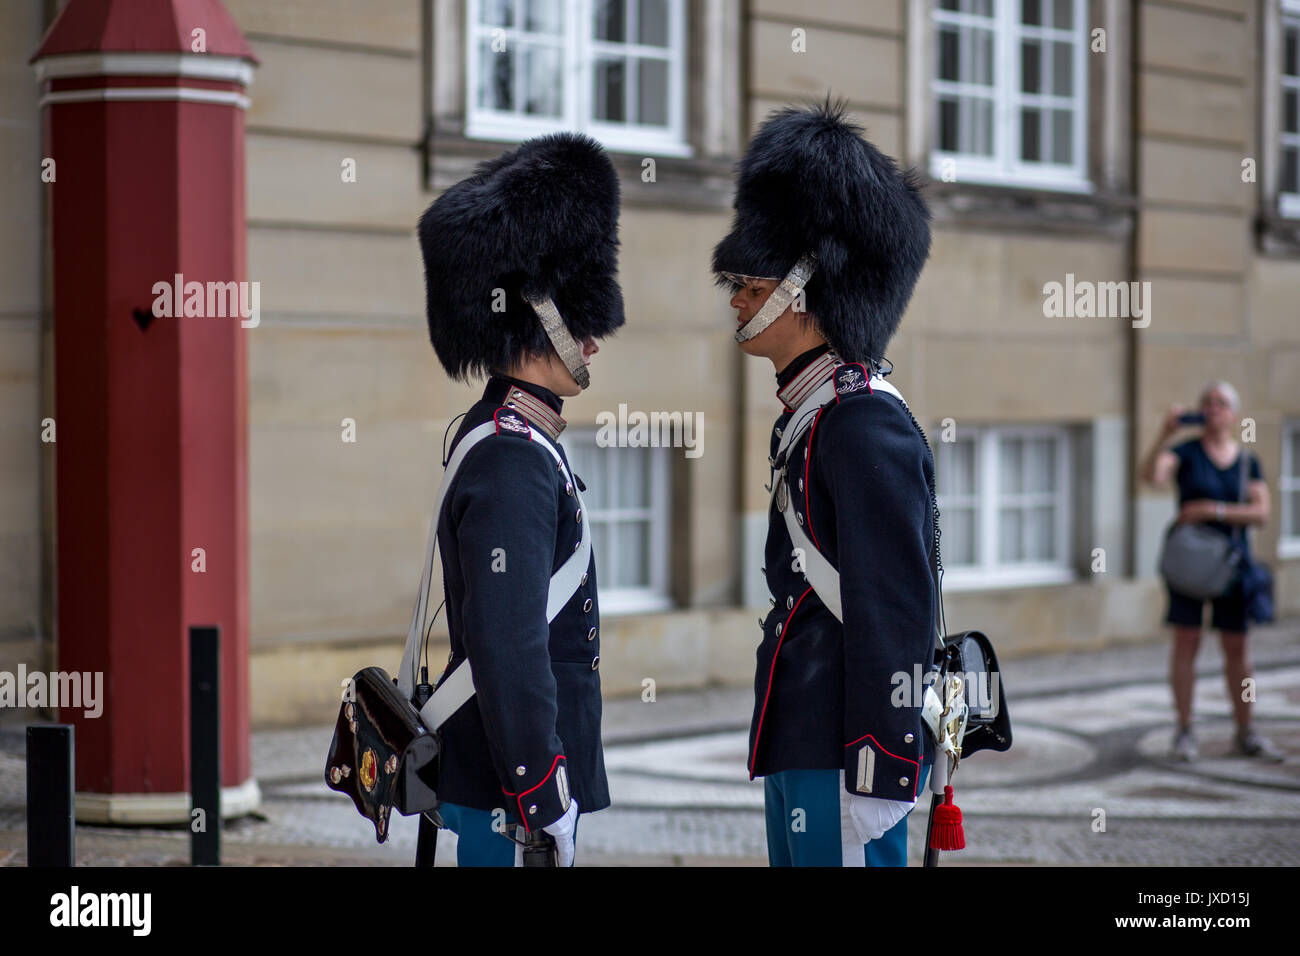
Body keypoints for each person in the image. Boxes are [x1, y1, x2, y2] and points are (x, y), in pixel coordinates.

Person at [713, 102, 938, 866]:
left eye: (749, 283)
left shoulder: (860, 421)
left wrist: (881, 761)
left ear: (806, 289)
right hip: (801, 727)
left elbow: (896, 605)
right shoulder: (814, 414)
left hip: (846, 743)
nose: (737, 299)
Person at [402, 132, 623, 865]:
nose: (593, 341)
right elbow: (509, 644)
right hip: (509, 796)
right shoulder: (509, 456)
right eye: (581, 320)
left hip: (501, 781)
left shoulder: (514, 438)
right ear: (538, 315)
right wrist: (541, 791)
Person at [1140, 381, 1283, 763]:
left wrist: (1210, 510)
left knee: (1238, 647)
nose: (1213, 408)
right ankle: (1185, 729)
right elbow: (1151, 477)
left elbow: (1262, 512)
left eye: (1221, 403)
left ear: (1233, 415)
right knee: (1186, 640)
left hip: (1232, 565)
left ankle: (1246, 729)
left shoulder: (1247, 461)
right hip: (1190, 563)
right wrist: (1164, 434)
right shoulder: (1185, 452)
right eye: (1207, 402)